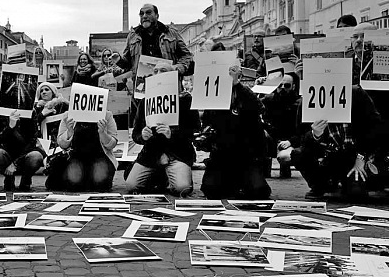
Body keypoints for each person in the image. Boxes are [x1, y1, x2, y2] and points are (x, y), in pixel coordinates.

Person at [290, 85, 382, 200]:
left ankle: (350, 183)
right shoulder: (310, 98)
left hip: (354, 154)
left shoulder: (356, 94)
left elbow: (374, 128)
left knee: (356, 192)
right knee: (298, 154)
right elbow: (302, 138)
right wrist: (316, 135)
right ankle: (320, 185)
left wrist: (361, 157)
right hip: (329, 155)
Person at [126, 62, 200, 196]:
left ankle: (171, 176)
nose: (158, 74)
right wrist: (143, 135)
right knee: (131, 185)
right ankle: (160, 177)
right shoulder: (145, 102)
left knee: (182, 188)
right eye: (155, 71)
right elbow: (136, 134)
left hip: (177, 154)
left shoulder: (186, 100)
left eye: (163, 70)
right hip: (151, 155)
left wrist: (172, 133)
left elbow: (195, 130)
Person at [200, 63, 271, 200]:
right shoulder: (213, 95)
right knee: (211, 190)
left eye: (233, 72)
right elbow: (207, 123)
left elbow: (258, 108)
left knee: (258, 191)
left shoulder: (244, 93)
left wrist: (236, 84)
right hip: (221, 153)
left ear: (239, 75)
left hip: (245, 153)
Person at [113, 4, 193, 122]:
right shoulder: (133, 35)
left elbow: (187, 55)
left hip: (168, 86)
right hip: (143, 88)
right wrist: (119, 60)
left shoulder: (171, 33)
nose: (144, 16)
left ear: (157, 15)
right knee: (146, 123)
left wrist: (176, 68)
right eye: (141, 14)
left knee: (168, 121)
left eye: (148, 13)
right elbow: (128, 63)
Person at [48, 112, 118, 192]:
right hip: (76, 157)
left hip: (100, 157)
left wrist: (102, 133)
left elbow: (112, 144)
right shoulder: (68, 115)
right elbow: (62, 144)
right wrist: (69, 132)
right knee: (73, 183)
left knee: (100, 183)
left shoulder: (106, 115)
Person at [0, 109, 45, 191]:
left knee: (36, 156)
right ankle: (9, 178)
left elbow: (32, 143)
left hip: (25, 155)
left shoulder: (31, 113)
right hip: (6, 154)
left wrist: (15, 163)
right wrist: (10, 127)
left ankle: (26, 180)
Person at [263, 74, 302, 179]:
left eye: (287, 85)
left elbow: (302, 129)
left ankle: (285, 170)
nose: (283, 88)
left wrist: (291, 141)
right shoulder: (268, 100)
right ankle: (263, 173)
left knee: (285, 157)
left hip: (288, 141)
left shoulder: (299, 104)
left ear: (293, 86)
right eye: (280, 85)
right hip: (271, 139)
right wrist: (259, 88)